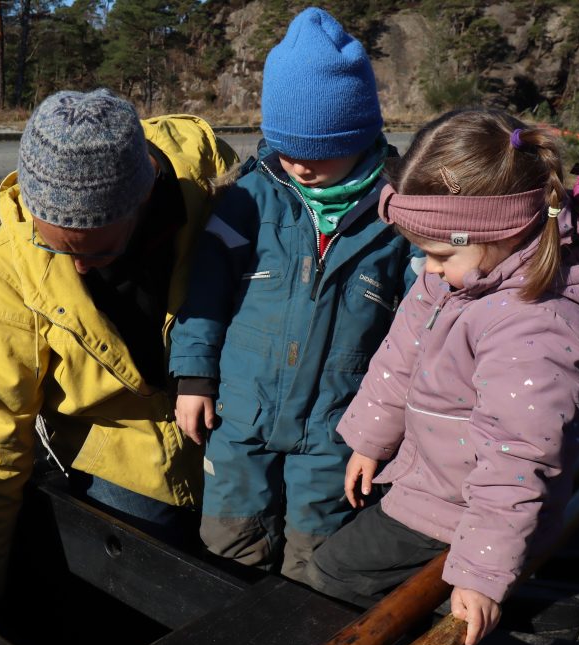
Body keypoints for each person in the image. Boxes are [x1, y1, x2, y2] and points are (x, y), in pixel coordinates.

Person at [308, 108, 579, 645]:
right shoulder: (456, 281)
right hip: (431, 481)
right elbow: (402, 354)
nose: (427, 269)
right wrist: (373, 439)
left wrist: (480, 570)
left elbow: (520, 458)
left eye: (441, 254)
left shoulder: (535, 332)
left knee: (334, 576)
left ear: (506, 231)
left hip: (469, 509)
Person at [0, 89, 238, 607]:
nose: (79, 268)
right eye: (55, 246)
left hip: (233, 437)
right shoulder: (5, 271)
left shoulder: (214, 186)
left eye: (100, 250)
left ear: (145, 196)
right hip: (122, 463)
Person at [168, 7, 418, 583]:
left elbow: (416, 329)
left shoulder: (399, 214)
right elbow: (203, 294)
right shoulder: (247, 201)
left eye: (319, 151)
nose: (301, 165)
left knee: (317, 561)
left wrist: (386, 429)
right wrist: (194, 379)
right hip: (240, 417)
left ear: (358, 138)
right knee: (229, 547)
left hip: (337, 430)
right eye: (287, 149)